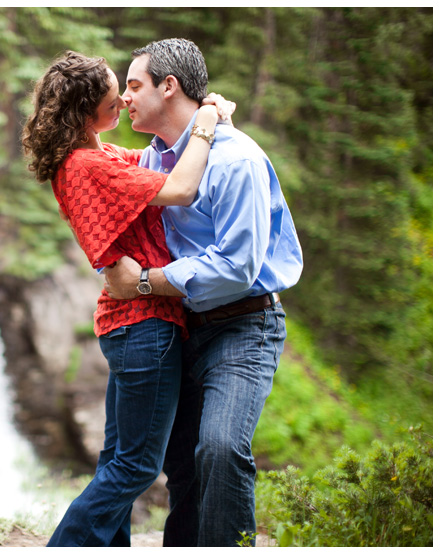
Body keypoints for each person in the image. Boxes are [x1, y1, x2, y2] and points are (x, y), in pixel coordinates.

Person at [21, 50, 234, 547]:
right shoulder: (89, 166)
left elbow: (162, 159)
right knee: (137, 467)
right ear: (84, 108)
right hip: (144, 323)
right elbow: (181, 187)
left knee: (117, 460)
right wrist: (204, 119)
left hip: (129, 323)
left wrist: (199, 118)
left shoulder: (100, 156)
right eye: (112, 95)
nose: (121, 98)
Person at [102, 38, 304, 547]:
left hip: (244, 325)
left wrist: (145, 283)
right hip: (179, 326)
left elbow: (237, 267)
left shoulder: (236, 160)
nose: (125, 98)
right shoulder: (150, 160)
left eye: (134, 85)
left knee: (219, 448)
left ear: (169, 87)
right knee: (182, 464)